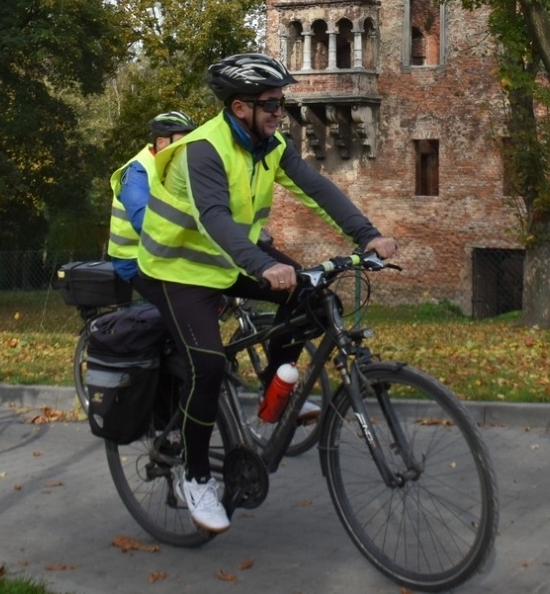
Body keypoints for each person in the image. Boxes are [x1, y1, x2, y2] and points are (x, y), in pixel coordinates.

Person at [135, 52, 396, 534]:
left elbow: (317, 187)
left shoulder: (269, 144)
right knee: (207, 365)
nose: (282, 112)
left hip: (227, 260)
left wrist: (367, 234)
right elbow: (214, 217)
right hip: (176, 269)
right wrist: (265, 265)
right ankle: (195, 478)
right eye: (273, 104)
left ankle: (275, 389)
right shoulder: (202, 150)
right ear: (240, 108)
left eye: (282, 102)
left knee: (315, 299)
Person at [107, 109, 196, 296]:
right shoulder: (134, 172)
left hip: (164, 254)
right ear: (161, 142)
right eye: (182, 141)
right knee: (179, 304)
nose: (188, 148)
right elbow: (144, 222)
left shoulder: (177, 168)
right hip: (133, 257)